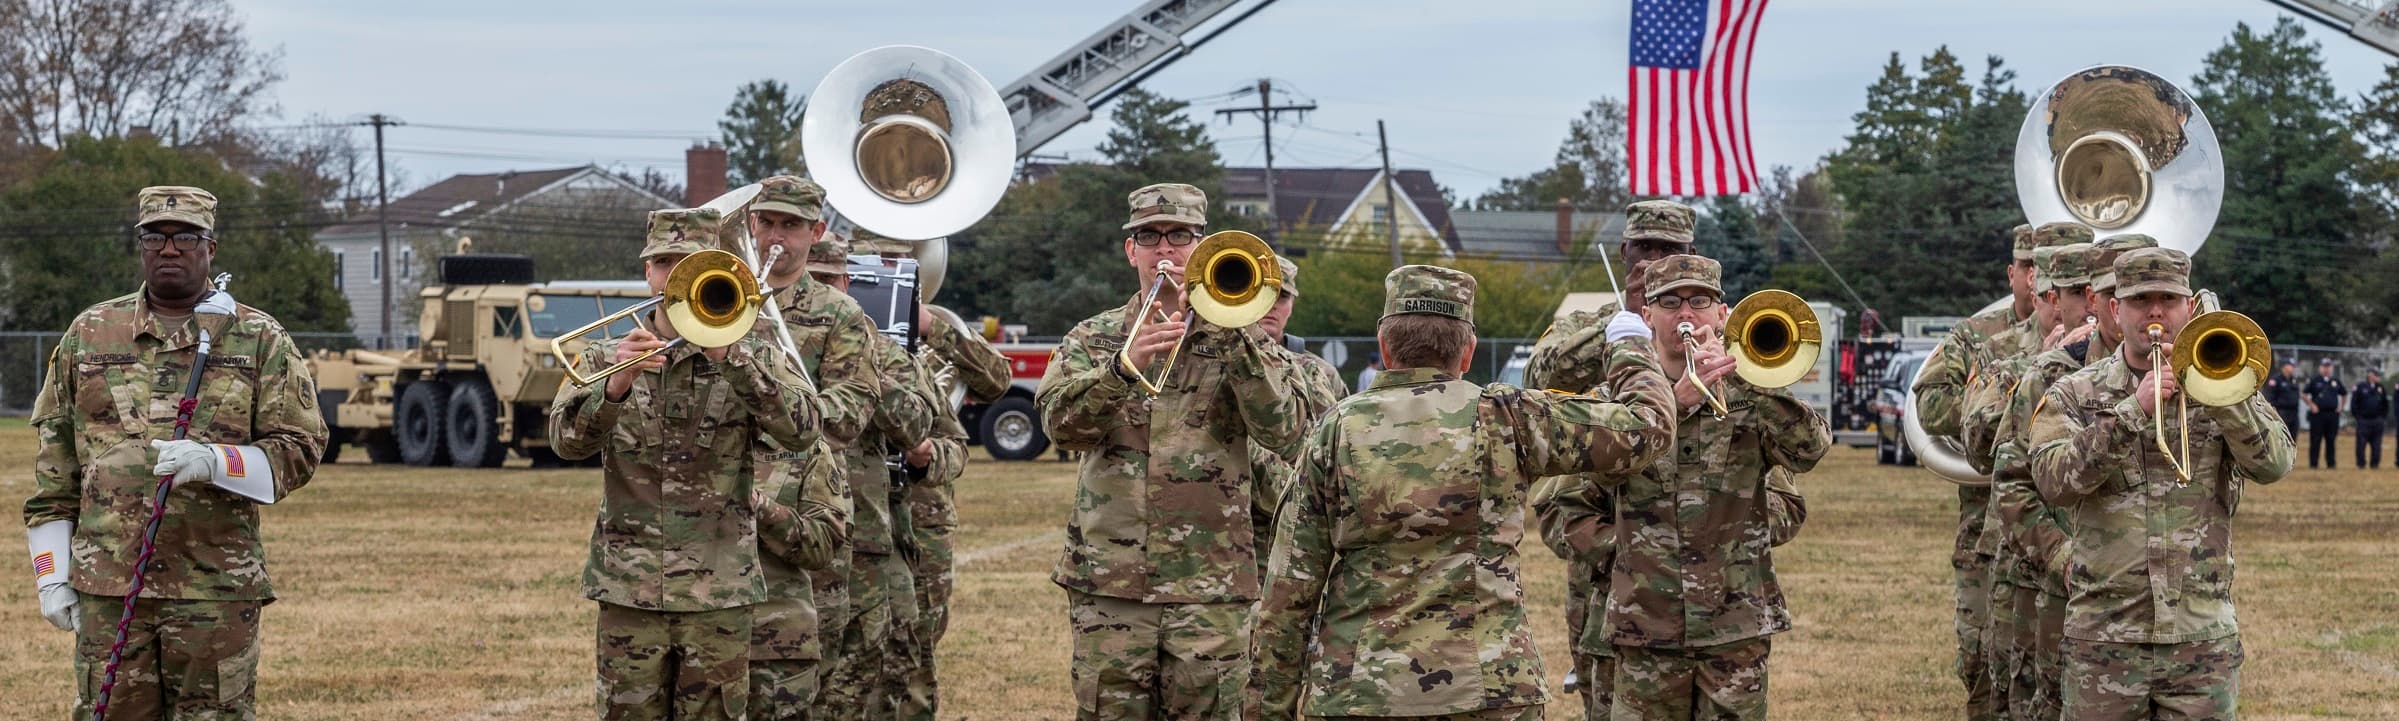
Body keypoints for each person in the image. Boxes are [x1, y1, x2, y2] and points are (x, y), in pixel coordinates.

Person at [1251, 264, 1677, 721]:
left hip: (1361, 691)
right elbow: (1648, 427)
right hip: (1491, 688)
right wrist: (1631, 344)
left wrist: (1266, 709)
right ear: (1468, 352)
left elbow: (1287, 592)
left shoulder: (1336, 430)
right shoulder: (1508, 417)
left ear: (1384, 348)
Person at [22, 186, 329, 718]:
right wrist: (50, 577)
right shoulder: (89, 335)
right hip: (110, 593)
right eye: (155, 237)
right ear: (140, 246)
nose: (169, 249)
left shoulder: (257, 338)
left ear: (212, 247)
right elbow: (55, 475)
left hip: (213, 590)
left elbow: (299, 449)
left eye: (185, 236)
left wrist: (217, 461)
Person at [1037, 182, 1304, 721]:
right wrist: (1120, 370)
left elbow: (1288, 430)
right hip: (1110, 582)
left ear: (1201, 245)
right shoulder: (1093, 337)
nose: (1165, 249)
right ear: (1130, 250)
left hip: (1211, 586)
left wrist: (1232, 336)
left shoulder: (1246, 338)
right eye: (1149, 236)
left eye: (1180, 235)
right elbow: (1060, 428)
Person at [549, 207, 821, 720]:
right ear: (647, 273)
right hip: (629, 589)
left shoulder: (754, 352)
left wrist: (732, 358)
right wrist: (614, 386)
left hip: (719, 592)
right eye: (663, 262)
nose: (674, 274)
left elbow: (804, 430)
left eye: (689, 262)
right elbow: (566, 443)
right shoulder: (603, 355)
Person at [2030, 247, 2293, 720]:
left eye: (2168, 299)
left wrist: (2223, 394)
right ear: (2114, 309)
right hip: (2105, 639)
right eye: (2139, 299)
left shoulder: (2229, 383)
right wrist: (2132, 411)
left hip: (2200, 638)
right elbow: (2053, 480)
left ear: (2189, 308)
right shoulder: (2075, 392)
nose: (2155, 311)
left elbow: (2274, 464)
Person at [1589, 256, 1827, 720]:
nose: (1686, 314)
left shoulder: (1752, 397)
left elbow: (1810, 450)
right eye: (1669, 302)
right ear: (1646, 316)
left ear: (1722, 313)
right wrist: (1667, 408)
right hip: (1647, 627)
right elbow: (1599, 472)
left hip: (1734, 626)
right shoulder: (1616, 399)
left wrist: (1747, 378)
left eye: (1700, 301)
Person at [1522, 199, 1700, 720]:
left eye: (1670, 250)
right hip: (1607, 575)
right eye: (1644, 248)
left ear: (1691, 254)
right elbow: (1541, 374)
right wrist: (1619, 334)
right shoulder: (1589, 322)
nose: (1653, 260)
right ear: (1624, 252)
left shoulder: (1705, 327)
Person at [745, 176, 887, 714]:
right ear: (752, 226)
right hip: (718, 516)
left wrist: (765, 404)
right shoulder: (717, 295)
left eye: (791, 225)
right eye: (767, 223)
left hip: (806, 509)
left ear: (815, 231)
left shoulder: (840, 315)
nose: (776, 236)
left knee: (801, 681)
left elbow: (847, 417)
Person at [848, 228, 1001, 721]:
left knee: (915, 645)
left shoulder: (937, 330)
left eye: (899, 261)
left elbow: (995, 381)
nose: (888, 273)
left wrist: (935, 327)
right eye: (874, 263)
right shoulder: (833, 330)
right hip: (852, 509)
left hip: (923, 514)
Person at [1987, 237, 2140, 721]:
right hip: (2062, 589)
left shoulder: (2194, 369)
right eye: (2127, 297)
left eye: (2156, 298)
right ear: (2100, 301)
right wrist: (2060, 554)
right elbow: (2011, 480)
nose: (2141, 313)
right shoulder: (2055, 372)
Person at [806, 234, 940, 721]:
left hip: (862, 532)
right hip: (787, 532)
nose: (823, 294)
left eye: (830, 283)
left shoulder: (875, 345)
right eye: (812, 282)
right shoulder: (772, 333)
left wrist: (860, 364)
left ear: (847, 282)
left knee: (873, 663)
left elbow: (917, 423)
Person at [1912, 222, 2043, 721]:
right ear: (2012, 273)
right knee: (1982, 661)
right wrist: (1999, 404)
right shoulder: (1978, 335)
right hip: (1987, 529)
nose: (2035, 279)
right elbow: (1929, 404)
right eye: (2027, 267)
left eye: (2044, 268)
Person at [748, 439, 851, 720]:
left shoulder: (803, 445)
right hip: (687, 646)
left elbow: (824, 545)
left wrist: (759, 506)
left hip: (770, 646)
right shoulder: (681, 437)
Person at [2305, 357, 2343, 469]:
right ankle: (2314, 464)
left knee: (2331, 440)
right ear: (2320, 368)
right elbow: (2304, 394)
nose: (2326, 369)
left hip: (2332, 415)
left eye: (2328, 367)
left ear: (2331, 368)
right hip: (2318, 415)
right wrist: (2311, 405)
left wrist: (2340, 407)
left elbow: (2344, 394)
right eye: (2324, 367)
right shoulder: (2314, 380)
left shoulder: (2336, 381)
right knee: (2316, 440)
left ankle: (2331, 463)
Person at [2353, 368, 2388, 470]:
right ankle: (2361, 464)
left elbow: (2385, 405)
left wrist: (2382, 418)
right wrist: (2358, 418)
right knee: (2361, 444)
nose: (2378, 377)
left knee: (2376, 445)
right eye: (2376, 375)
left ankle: (2375, 464)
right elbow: (2354, 404)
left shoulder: (2381, 388)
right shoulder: (2360, 387)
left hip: (2377, 421)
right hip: (2364, 420)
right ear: (2370, 376)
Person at [2264, 359, 2301, 434]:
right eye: (2291, 366)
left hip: (2294, 413)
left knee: (2293, 436)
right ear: (2285, 367)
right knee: (2282, 436)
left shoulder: (2294, 380)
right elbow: (2270, 398)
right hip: (2282, 412)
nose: (2293, 368)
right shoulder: (2276, 380)